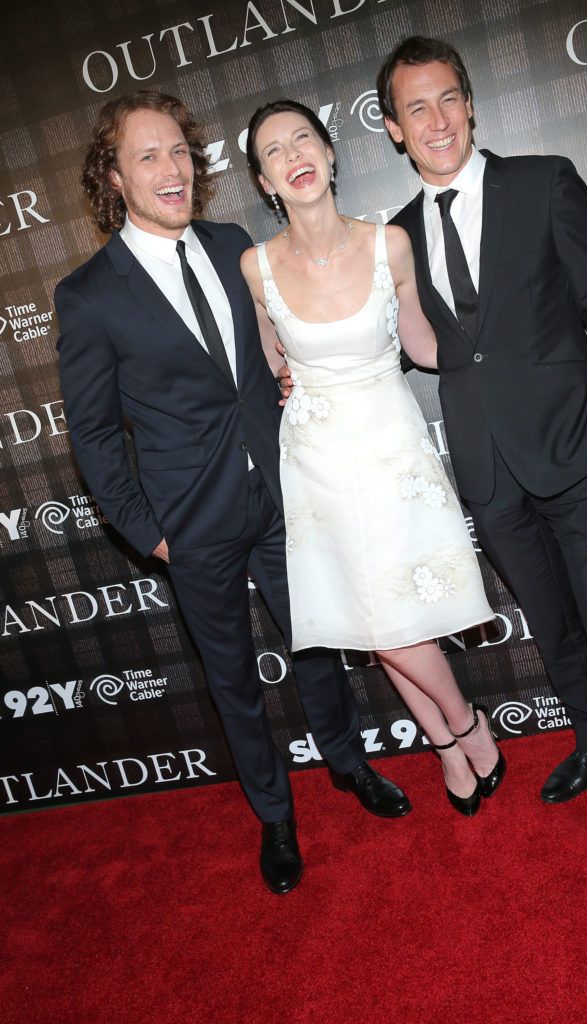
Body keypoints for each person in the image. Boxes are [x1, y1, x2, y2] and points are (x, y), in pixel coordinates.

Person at [54, 90, 413, 897]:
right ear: (112, 177)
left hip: (284, 493)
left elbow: (265, 356)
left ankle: (350, 765)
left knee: (319, 643)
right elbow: (94, 438)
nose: (171, 169)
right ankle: (274, 816)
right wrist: (151, 534)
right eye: (148, 156)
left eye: (179, 151)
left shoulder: (231, 246)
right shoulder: (89, 295)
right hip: (192, 525)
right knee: (233, 681)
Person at [372, 35, 587, 899]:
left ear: (468, 103)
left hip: (575, 452)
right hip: (487, 468)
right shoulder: (391, 238)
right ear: (393, 129)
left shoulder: (542, 181)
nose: (435, 120)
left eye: (447, 99)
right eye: (415, 108)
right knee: (553, 626)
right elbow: (395, 343)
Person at [241, 99, 506, 821]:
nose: (292, 155)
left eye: (303, 139)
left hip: (389, 446)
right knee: (367, 617)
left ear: (329, 154)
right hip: (315, 460)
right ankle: (457, 731)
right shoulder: (254, 266)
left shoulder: (389, 243)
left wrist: (499, 347)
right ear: (264, 181)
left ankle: (455, 730)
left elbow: (423, 344)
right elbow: (266, 363)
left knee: (393, 615)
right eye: (273, 151)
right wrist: (282, 378)